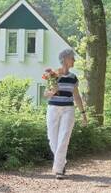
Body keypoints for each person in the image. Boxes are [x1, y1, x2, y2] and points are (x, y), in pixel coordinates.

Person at [44, 49, 88, 179]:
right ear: (65, 59)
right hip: (53, 108)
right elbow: (45, 94)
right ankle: (61, 162)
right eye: (72, 58)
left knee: (64, 139)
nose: (74, 60)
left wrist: (83, 113)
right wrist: (52, 91)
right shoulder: (53, 75)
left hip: (68, 110)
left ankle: (58, 170)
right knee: (53, 140)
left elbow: (77, 96)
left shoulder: (73, 78)